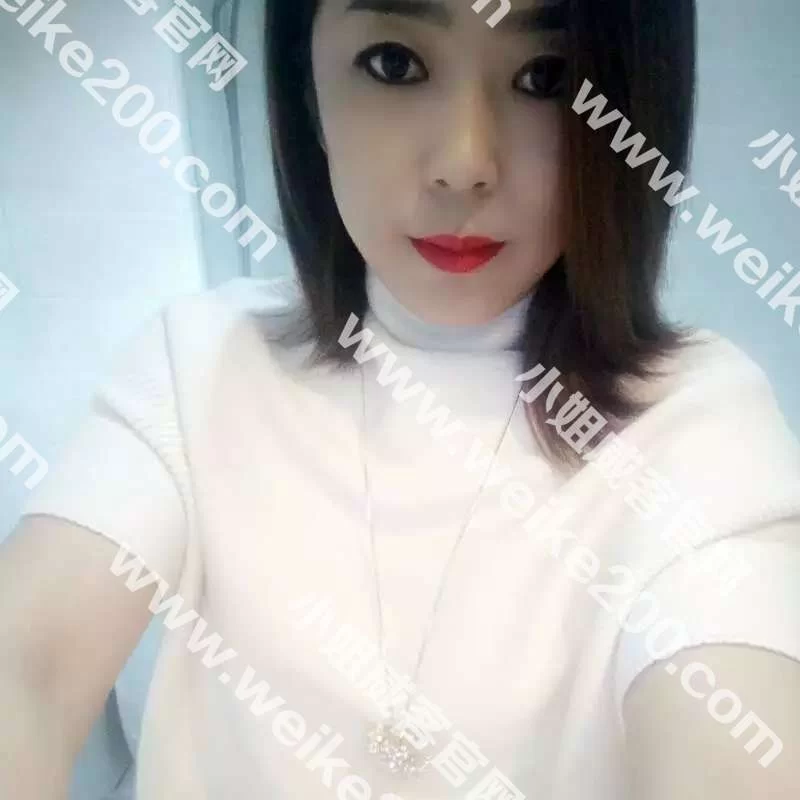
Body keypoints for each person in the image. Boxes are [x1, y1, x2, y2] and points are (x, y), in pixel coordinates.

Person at [1, 0, 799, 798]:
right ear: (308, 90)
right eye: (394, 64)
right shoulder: (199, 364)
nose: (465, 162)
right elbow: (27, 668)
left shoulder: (699, 427)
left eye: (545, 77)